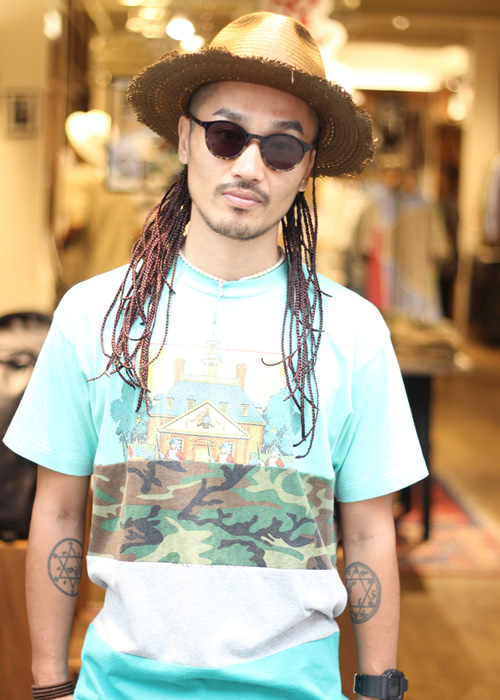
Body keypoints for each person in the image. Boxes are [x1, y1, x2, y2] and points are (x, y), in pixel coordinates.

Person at [4, 12, 428, 700]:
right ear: (185, 138)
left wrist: (380, 688)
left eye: (282, 147)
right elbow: (55, 510)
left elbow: (369, 528)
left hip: (296, 686)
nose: (249, 167)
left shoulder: (353, 330)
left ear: (307, 168)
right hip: (118, 685)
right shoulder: (93, 314)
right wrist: (49, 683)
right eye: (226, 136)